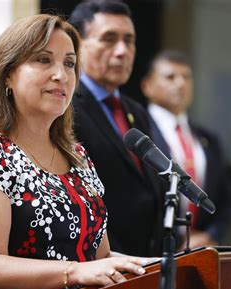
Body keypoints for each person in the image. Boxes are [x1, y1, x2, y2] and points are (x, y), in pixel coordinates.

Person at [0, 14, 154, 289]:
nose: (61, 75)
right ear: (7, 75)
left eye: (69, 63)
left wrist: (151, 267)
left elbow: (98, 256)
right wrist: (74, 272)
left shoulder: (76, 155)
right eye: (43, 60)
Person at [68, 1, 165, 257]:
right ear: (78, 43)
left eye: (129, 40)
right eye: (109, 39)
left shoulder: (137, 111)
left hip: (146, 263)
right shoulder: (65, 109)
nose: (122, 51)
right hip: (100, 265)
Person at [140, 50, 231, 248]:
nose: (180, 83)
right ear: (147, 85)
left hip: (200, 250)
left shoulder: (208, 138)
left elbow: (226, 201)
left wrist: (208, 236)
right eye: (170, 77)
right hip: (150, 250)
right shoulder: (139, 134)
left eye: (186, 77)